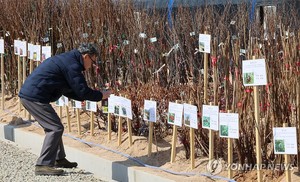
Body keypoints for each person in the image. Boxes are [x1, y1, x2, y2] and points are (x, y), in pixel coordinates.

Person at [19, 43, 112, 176]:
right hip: (33, 97)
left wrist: (83, 97)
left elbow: (69, 89)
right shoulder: (72, 65)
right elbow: (82, 90)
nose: (92, 65)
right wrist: (100, 95)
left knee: (55, 125)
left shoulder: (69, 60)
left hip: (34, 95)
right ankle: (43, 165)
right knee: (55, 128)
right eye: (93, 61)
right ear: (86, 57)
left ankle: (59, 159)